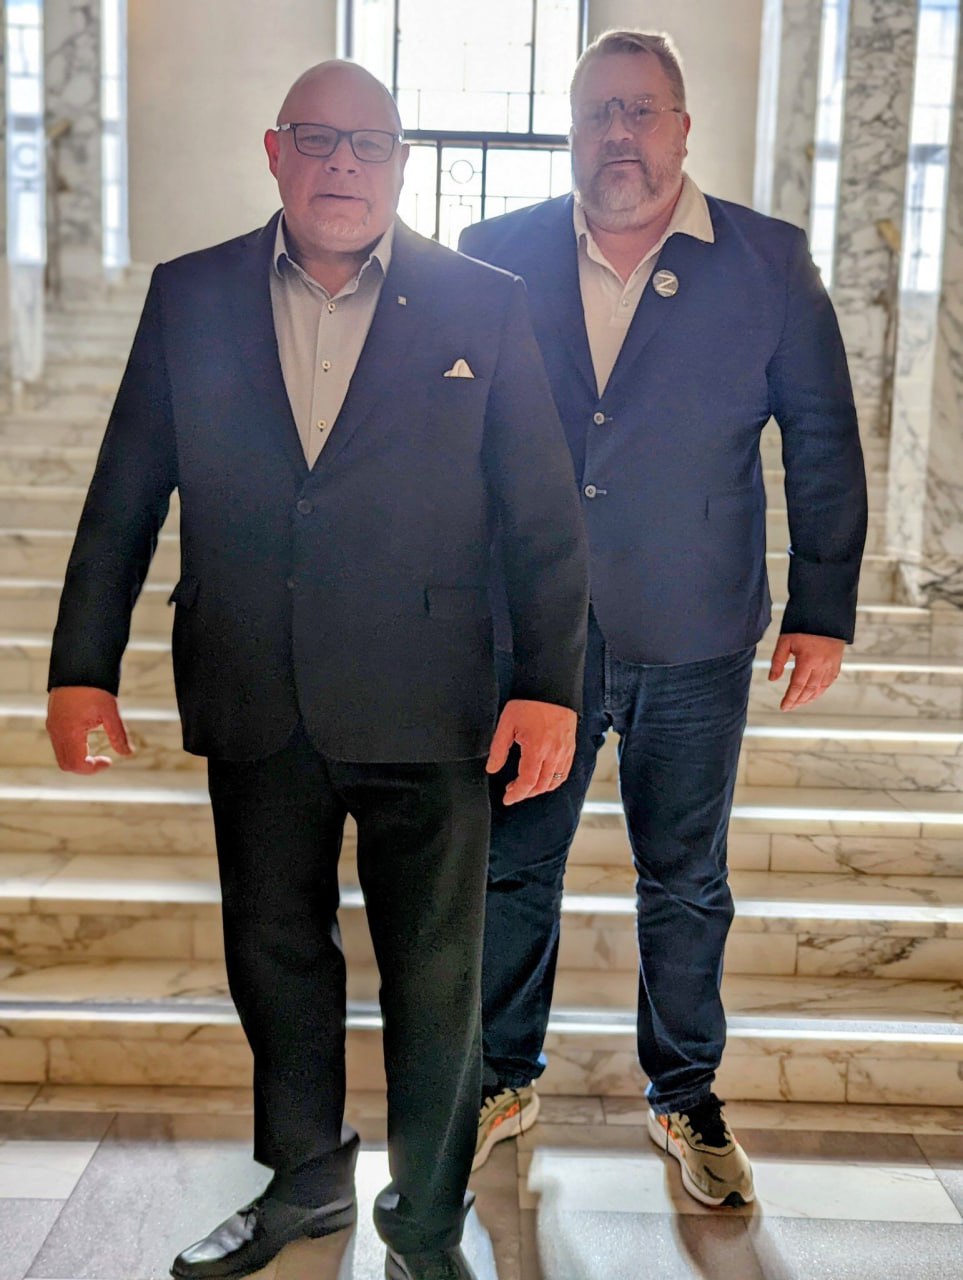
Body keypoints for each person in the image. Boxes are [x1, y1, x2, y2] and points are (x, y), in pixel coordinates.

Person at [46, 60, 588, 1280]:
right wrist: (82, 665)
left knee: (435, 978)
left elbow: (543, 512)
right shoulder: (191, 295)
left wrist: (550, 682)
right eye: (318, 139)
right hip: (255, 688)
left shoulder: (483, 304)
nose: (344, 163)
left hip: (432, 700)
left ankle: (427, 1221)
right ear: (275, 151)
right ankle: (303, 1179)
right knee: (276, 954)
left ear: (401, 163)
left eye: (370, 143)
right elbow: (126, 489)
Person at [460, 29, 867, 1208]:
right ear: (571, 130)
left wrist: (823, 604)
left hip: (695, 632)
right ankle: (499, 1078)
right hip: (532, 639)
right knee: (512, 870)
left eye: (642, 110)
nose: (619, 133)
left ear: (683, 128)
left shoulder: (767, 261)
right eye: (598, 111)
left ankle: (684, 1092)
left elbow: (823, 434)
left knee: (685, 879)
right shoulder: (493, 255)